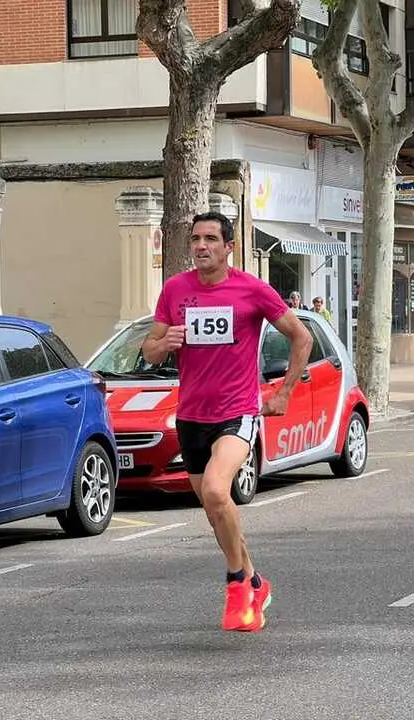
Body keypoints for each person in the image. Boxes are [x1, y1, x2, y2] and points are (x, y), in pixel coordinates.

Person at [142, 211, 312, 632]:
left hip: (238, 411)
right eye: (196, 239)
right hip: (191, 415)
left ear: (228, 247)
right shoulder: (175, 290)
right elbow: (148, 351)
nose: (201, 246)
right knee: (216, 509)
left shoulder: (252, 290)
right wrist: (165, 343)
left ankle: (236, 584)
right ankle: (255, 579)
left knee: (219, 491)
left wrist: (284, 392)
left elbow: (301, 336)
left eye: (211, 239)